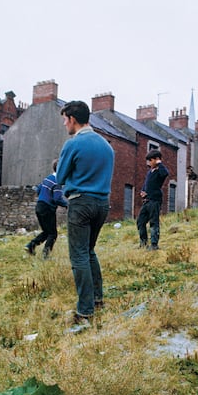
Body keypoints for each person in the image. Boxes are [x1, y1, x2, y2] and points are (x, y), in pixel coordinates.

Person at [56, 101, 115, 324]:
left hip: (80, 203)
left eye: (64, 119)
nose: (64, 124)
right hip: (102, 204)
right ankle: (98, 299)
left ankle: (84, 311)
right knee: (89, 252)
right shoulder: (107, 145)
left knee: (79, 254)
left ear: (72, 119)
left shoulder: (73, 144)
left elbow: (60, 177)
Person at [25, 160, 68, 258]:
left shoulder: (47, 179)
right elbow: (57, 198)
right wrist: (66, 204)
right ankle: (46, 255)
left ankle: (30, 246)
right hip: (48, 209)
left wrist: (44, 197)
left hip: (39, 207)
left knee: (47, 231)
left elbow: (38, 189)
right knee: (53, 234)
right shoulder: (57, 182)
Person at [136, 149, 169, 250]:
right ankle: (143, 243)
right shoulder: (149, 172)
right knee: (140, 221)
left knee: (154, 223)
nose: (149, 163)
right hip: (146, 201)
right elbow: (146, 184)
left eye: (150, 160)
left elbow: (165, 174)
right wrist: (142, 191)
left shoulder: (160, 171)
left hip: (155, 201)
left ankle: (154, 245)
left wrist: (160, 163)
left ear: (156, 160)